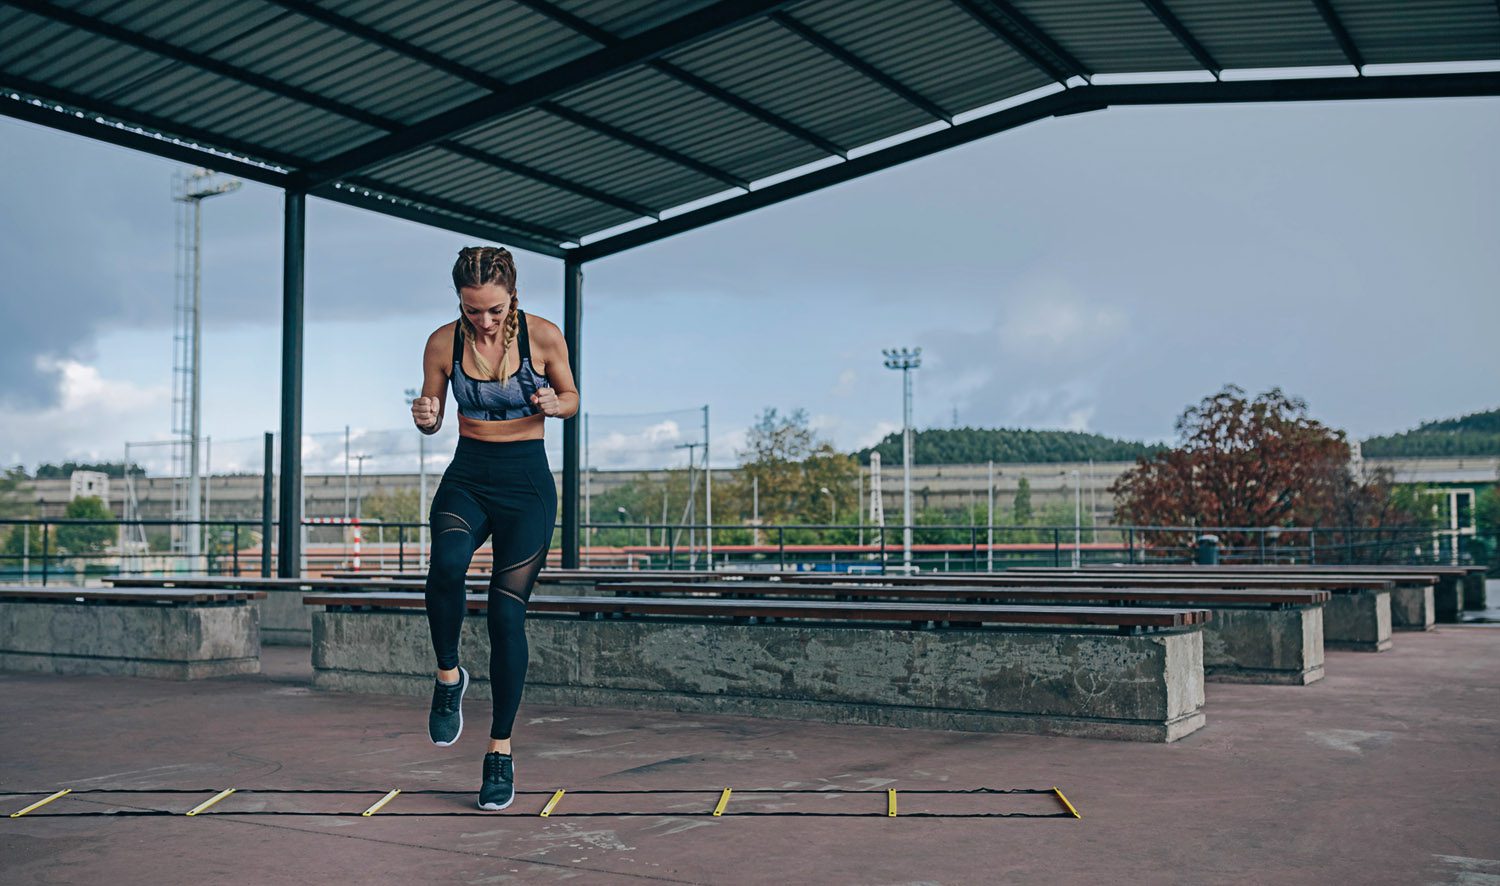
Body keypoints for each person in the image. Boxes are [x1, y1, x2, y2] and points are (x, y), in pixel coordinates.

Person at [410, 245, 578, 811]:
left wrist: (557, 404)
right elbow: (432, 412)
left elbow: (572, 397)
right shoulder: (442, 342)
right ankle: (448, 676)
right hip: (469, 474)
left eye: (494, 310)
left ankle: (500, 753)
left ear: (513, 297)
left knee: (506, 612)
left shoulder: (544, 336)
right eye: (472, 309)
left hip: (527, 483)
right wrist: (428, 418)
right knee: (447, 566)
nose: (483, 320)